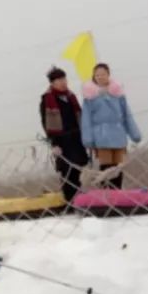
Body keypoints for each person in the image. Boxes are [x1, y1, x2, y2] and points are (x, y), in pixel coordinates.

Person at [81, 63, 142, 189]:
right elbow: (86, 119)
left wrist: (134, 134)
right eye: (97, 75)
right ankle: (107, 194)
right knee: (106, 167)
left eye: (103, 74)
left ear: (108, 75)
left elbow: (127, 114)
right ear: (94, 77)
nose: (100, 77)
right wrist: (88, 138)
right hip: (101, 136)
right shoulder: (90, 97)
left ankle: (117, 192)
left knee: (119, 166)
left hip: (119, 135)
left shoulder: (118, 94)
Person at [40, 66, 86, 205]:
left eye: (64, 79)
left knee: (78, 170)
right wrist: (54, 143)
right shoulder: (47, 99)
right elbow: (46, 122)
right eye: (59, 80)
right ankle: (70, 202)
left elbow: (79, 116)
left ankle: (79, 199)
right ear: (52, 83)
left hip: (76, 138)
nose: (63, 82)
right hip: (61, 140)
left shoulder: (71, 97)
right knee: (67, 172)